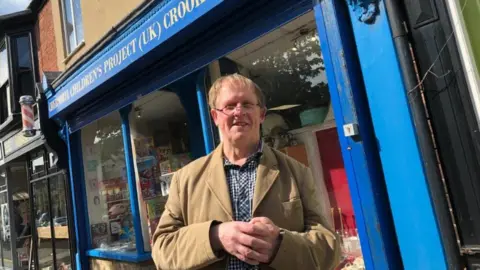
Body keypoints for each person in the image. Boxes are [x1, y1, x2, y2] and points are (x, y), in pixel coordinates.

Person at [152, 74, 340, 269]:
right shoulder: (186, 179)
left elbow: (329, 251)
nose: (239, 112)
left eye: (247, 104)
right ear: (215, 117)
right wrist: (215, 236)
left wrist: (279, 246)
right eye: (230, 106)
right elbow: (162, 250)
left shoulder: (297, 172)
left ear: (262, 114)